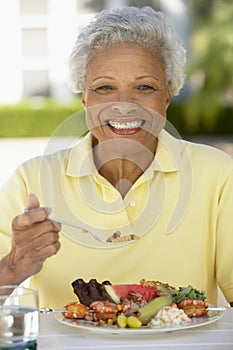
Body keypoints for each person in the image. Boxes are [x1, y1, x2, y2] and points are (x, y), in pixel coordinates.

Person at [0, 6, 232, 309]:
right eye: (105, 87)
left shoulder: (217, 174)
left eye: (144, 87)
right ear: (84, 97)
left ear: (167, 96)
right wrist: (15, 265)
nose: (124, 105)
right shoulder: (30, 180)